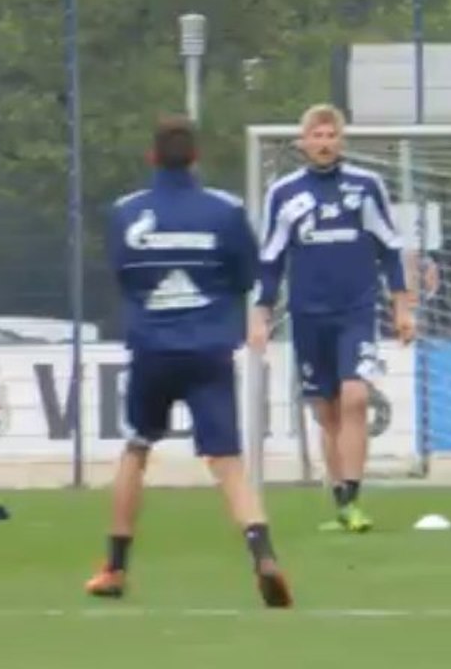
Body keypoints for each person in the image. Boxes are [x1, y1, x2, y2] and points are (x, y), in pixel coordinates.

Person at [86, 115, 292, 608]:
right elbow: (248, 275)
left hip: (153, 349)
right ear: (195, 157)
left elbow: (123, 275)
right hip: (208, 349)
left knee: (137, 448)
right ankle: (262, 551)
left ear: (152, 157)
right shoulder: (225, 210)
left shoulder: (126, 211)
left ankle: (114, 566)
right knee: (227, 462)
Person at [249, 103, 415, 533]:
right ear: (303, 142)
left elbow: (390, 248)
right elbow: (270, 260)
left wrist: (401, 308)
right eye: (316, 136)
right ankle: (341, 499)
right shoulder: (283, 194)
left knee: (356, 397)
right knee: (327, 413)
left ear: (341, 141)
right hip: (307, 315)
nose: (323, 143)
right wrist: (260, 314)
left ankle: (354, 497)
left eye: (330, 136)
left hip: (356, 311)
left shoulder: (365, 186)